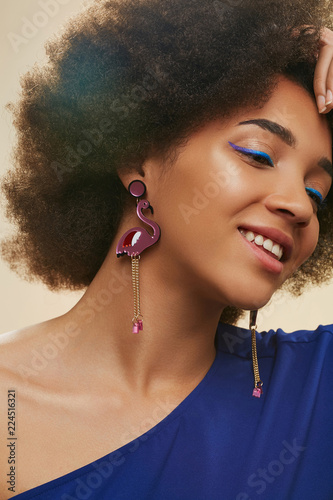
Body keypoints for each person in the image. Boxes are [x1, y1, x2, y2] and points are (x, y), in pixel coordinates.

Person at [0, 0, 333, 498]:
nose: (299, 208)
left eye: (317, 194)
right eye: (258, 155)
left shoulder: (316, 390)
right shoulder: (9, 410)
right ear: (139, 155)